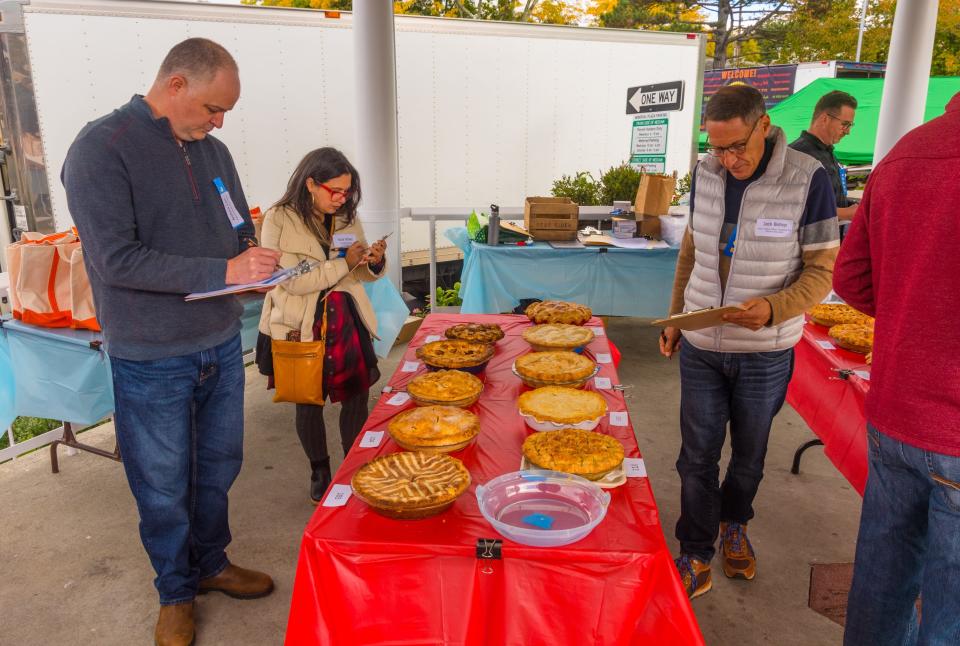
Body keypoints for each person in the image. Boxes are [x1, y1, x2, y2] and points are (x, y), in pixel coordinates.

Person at [61, 38, 279, 646]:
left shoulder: (214, 151)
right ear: (175, 84)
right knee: (161, 483)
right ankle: (174, 591)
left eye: (225, 113)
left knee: (216, 469)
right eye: (213, 108)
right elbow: (116, 260)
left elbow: (238, 225)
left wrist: (255, 261)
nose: (219, 122)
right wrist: (224, 274)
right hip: (150, 355)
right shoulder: (100, 150)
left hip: (217, 341)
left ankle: (211, 564)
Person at [660, 85, 840, 599]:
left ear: (765, 126)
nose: (727, 159)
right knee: (696, 455)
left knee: (749, 456)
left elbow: (821, 270)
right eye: (717, 148)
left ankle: (734, 523)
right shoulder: (706, 173)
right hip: (701, 346)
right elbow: (690, 252)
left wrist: (773, 308)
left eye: (737, 145)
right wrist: (677, 316)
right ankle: (694, 551)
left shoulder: (810, 179)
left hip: (764, 351)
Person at [835, 93, 960, 645]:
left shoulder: (908, 151)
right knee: (949, 612)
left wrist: (914, 308)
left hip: (895, 412)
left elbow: (854, 278)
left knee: (882, 583)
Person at [256, 147, 387, 504]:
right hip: (301, 322)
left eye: (348, 192)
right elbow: (294, 280)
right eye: (336, 191)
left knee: (357, 398)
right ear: (311, 183)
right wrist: (345, 263)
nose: (343, 199)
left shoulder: (345, 216)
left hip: (345, 318)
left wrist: (372, 262)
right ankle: (320, 469)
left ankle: (355, 466)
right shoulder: (278, 219)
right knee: (308, 401)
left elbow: (357, 272)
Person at [789, 90, 859, 222]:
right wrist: (846, 213)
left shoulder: (828, 152)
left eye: (850, 125)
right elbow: (792, 207)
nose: (848, 132)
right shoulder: (796, 154)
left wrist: (853, 206)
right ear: (825, 119)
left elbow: (829, 199)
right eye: (845, 124)